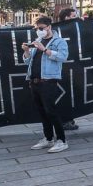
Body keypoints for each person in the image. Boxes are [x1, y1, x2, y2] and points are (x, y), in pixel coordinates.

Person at [22, 16, 69, 154]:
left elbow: (63, 57)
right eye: (37, 29)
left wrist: (44, 49)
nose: (39, 31)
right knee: (42, 112)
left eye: (41, 28)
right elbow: (27, 62)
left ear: (49, 27)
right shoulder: (38, 41)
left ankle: (61, 140)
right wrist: (26, 51)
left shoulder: (59, 41)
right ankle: (48, 138)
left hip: (48, 81)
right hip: (34, 81)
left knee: (51, 111)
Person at [56, 8, 80, 130]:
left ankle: (69, 120)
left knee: (72, 94)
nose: (74, 18)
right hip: (61, 68)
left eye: (75, 16)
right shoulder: (56, 30)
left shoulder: (77, 29)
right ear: (64, 17)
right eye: (72, 16)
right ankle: (63, 120)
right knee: (63, 94)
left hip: (74, 68)